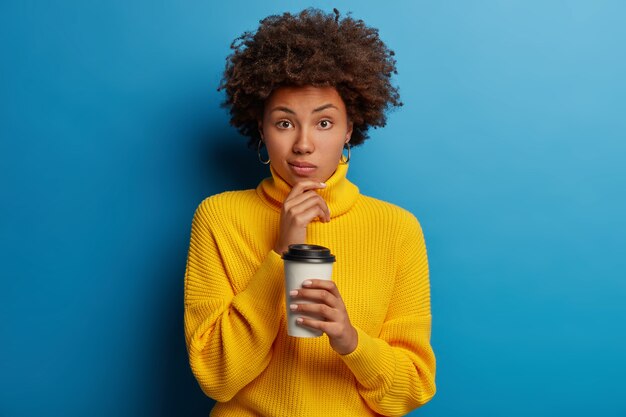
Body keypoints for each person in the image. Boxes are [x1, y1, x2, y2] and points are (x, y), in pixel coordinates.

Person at [184, 8, 436, 417]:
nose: (303, 144)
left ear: (349, 128)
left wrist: (351, 342)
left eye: (323, 122)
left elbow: (411, 389)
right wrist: (281, 252)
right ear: (261, 128)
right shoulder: (220, 217)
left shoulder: (396, 228)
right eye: (285, 123)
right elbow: (217, 377)